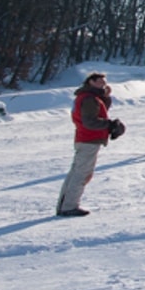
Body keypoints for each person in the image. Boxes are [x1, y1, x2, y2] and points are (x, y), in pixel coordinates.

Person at [57, 71, 115, 217]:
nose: (104, 84)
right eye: (100, 82)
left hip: (85, 138)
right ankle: (69, 206)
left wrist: (105, 98)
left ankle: (65, 205)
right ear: (91, 82)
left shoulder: (89, 97)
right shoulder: (89, 98)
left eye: (104, 82)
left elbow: (97, 113)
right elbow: (90, 121)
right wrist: (110, 124)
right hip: (89, 139)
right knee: (82, 174)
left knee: (76, 172)